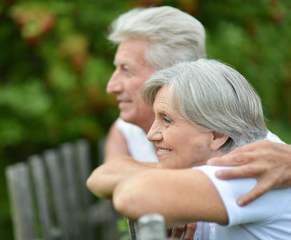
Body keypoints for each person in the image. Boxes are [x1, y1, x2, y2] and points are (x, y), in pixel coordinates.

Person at [103, 5, 290, 208]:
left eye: (126, 69)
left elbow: (128, 198)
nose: (111, 86)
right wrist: (180, 183)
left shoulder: (255, 163)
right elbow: (102, 178)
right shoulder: (125, 129)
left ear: (173, 71)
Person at [88, 59, 291, 239]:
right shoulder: (214, 162)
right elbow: (100, 177)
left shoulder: (253, 171)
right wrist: (184, 180)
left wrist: (175, 187)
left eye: (167, 120)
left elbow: (131, 196)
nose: (151, 135)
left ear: (217, 135)